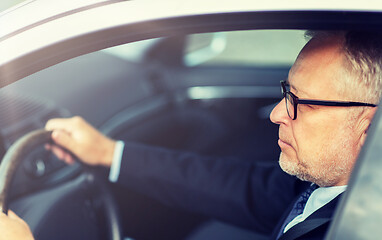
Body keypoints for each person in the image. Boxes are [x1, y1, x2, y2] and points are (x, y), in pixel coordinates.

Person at [4, 30, 380, 239]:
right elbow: (242, 187)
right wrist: (108, 152)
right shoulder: (331, 182)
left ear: (369, 127)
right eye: (286, 91)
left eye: (303, 103)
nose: (279, 113)